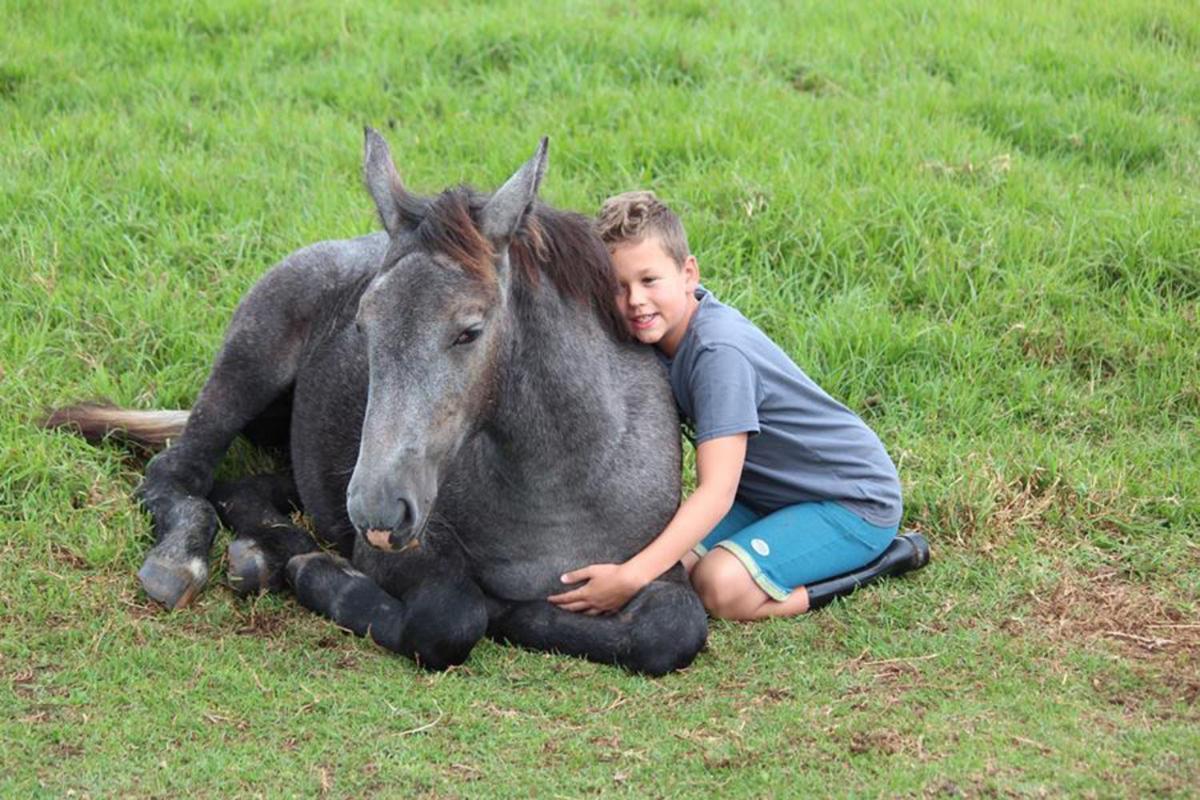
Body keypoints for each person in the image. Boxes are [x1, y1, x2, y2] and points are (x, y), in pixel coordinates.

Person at [548, 191, 928, 621]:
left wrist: (630, 577)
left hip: (849, 501)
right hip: (770, 498)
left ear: (688, 273)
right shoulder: (658, 335)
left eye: (649, 280)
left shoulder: (717, 353)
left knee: (718, 586)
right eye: (619, 287)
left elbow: (716, 491)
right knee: (675, 570)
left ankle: (884, 562)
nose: (636, 300)